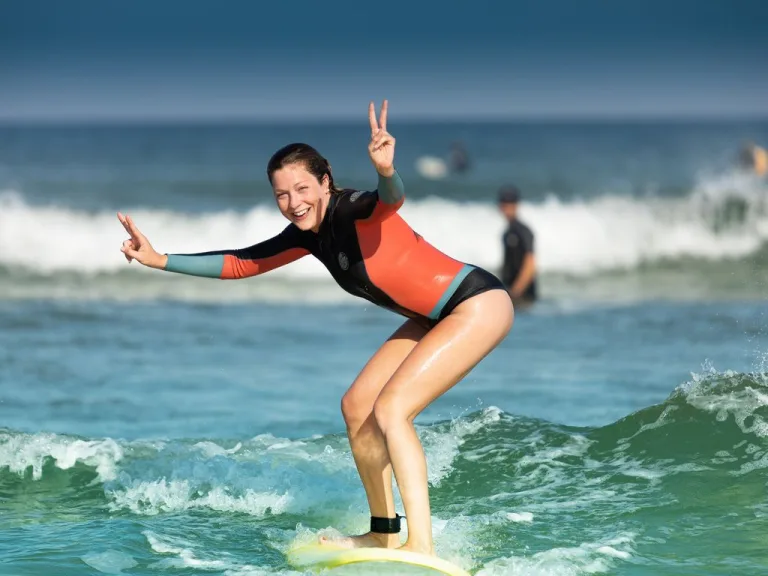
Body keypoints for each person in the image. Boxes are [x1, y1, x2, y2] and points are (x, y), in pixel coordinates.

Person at [116, 100, 514, 557]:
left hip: (476, 304)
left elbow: (391, 199)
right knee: (357, 406)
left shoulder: (353, 210)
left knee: (392, 409)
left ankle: (421, 544)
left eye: (302, 188)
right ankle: (384, 531)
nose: (293, 203)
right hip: (431, 318)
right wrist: (159, 259)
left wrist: (386, 170)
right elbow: (242, 263)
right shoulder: (309, 235)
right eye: (281, 195)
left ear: (325, 181)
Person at [497, 185, 537, 303]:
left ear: (516, 205)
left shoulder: (523, 231)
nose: (507, 208)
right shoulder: (506, 233)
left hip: (524, 296)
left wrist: (516, 290)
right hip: (510, 292)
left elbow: (530, 264)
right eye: (504, 204)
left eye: (510, 204)